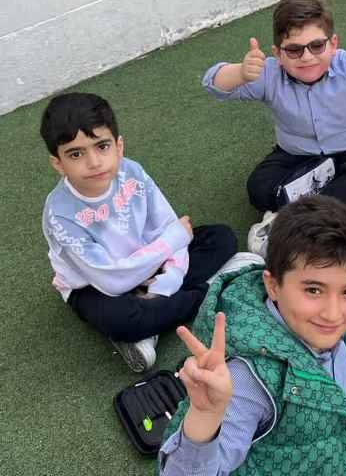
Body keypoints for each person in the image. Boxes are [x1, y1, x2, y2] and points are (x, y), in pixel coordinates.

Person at [158, 195, 346, 475]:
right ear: (273, 285)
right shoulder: (249, 377)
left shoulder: (344, 323)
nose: (333, 314)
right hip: (286, 460)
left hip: (334, 431)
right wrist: (206, 416)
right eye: (314, 290)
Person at [202, 0, 346, 255]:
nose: (307, 57)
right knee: (259, 187)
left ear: (333, 44)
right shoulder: (269, 73)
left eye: (317, 45)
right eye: (294, 49)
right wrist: (239, 73)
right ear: (277, 54)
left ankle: (282, 223)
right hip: (296, 157)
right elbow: (213, 83)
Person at [40, 93, 237, 372]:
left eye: (102, 146)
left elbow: (168, 227)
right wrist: (171, 245)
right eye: (76, 154)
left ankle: (153, 320)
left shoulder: (131, 171)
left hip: (151, 260)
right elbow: (111, 280)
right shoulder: (60, 213)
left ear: (118, 146)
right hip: (96, 285)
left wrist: (168, 281)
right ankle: (214, 289)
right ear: (58, 164)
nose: (94, 162)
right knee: (122, 320)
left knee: (221, 238)